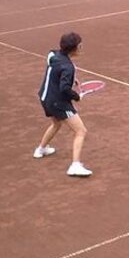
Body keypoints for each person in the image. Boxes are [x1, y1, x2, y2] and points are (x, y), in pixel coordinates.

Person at [34, 31, 92, 177]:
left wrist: (72, 78)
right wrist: (76, 96)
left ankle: (41, 149)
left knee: (56, 124)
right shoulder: (68, 67)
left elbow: (55, 69)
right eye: (80, 45)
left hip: (44, 97)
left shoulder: (53, 54)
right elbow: (64, 88)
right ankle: (75, 165)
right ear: (76, 48)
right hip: (57, 102)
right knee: (81, 131)